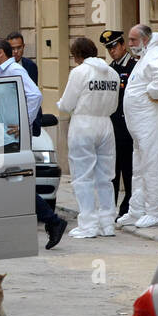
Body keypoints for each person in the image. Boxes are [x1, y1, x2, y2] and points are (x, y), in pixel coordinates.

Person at [0, 37, 67, 250]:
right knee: (9, 183)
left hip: (14, 138)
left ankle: (53, 221)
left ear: (0, 54)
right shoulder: (1, 72)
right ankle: (31, 225)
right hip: (4, 137)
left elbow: (35, 96)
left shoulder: (15, 71)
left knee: (16, 182)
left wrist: (23, 124)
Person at [58, 36, 120, 238]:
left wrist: (61, 105)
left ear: (77, 55)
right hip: (106, 124)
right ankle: (107, 222)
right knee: (106, 176)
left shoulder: (79, 72)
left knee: (82, 176)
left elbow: (67, 104)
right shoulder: (112, 73)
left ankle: (89, 224)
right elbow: (114, 105)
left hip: (84, 124)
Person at [117, 23, 158, 229]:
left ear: (145, 39)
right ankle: (137, 210)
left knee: (153, 165)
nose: (130, 44)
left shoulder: (156, 54)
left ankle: (156, 212)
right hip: (141, 126)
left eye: (133, 40)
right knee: (140, 168)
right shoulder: (146, 56)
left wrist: (153, 92)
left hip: (152, 121)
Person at [100, 28, 138, 218]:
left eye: (114, 46)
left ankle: (127, 208)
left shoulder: (134, 66)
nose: (112, 51)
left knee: (129, 170)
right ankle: (109, 209)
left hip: (128, 127)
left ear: (123, 45)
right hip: (112, 126)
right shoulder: (109, 70)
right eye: (109, 48)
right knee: (111, 171)